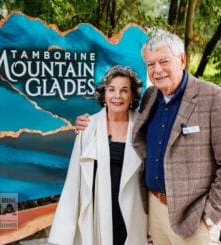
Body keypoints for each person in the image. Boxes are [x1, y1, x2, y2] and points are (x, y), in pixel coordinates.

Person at [75, 30, 221, 244]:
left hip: (194, 218)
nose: (157, 70)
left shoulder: (213, 98)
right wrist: (91, 122)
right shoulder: (151, 97)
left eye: (163, 61)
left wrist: (211, 214)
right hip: (155, 209)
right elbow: (121, 115)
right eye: (150, 64)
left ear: (182, 59)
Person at [48, 66, 148, 245]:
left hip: (133, 212)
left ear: (132, 96)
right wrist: (63, 232)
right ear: (103, 95)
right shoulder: (88, 127)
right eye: (112, 90)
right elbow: (74, 180)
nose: (117, 96)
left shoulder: (143, 127)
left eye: (124, 90)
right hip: (97, 210)